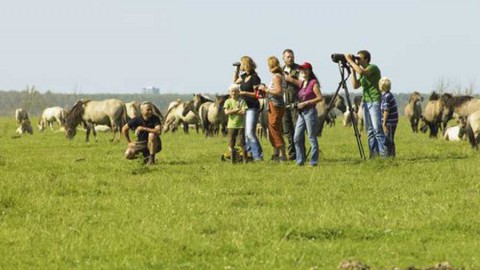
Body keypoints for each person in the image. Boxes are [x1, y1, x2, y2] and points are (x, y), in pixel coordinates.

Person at [345, 50, 387, 158]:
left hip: (375, 101)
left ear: (366, 59)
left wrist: (350, 60)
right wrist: (352, 70)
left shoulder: (372, 68)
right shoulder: (361, 71)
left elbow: (362, 72)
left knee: (377, 129)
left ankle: (384, 155)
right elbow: (355, 85)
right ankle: (373, 156)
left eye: (359, 58)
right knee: (370, 131)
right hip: (366, 103)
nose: (357, 60)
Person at [285, 62, 323, 166]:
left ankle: (314, 161)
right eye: (302, 70)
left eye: (305, 70)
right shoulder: (302, 83)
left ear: (310, 71)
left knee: (311, 137)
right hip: (301, 113)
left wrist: (306, 102)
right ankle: (300, 160)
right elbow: (292, 81)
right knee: (297, 137)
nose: (303, 72)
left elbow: (320, 98)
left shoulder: (313, 83)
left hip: (310, 112)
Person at [233, 56, 263, 161]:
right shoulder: (244, 76)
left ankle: (258, 156)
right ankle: (249, 155)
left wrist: (244, 93)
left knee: (250, 132)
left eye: (241, 64)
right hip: (244, 108)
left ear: (246, 64)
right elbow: (234, 81)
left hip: (252, 107)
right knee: (246, 134)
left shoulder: (255, 77)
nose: (240, 66)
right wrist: (236, 70)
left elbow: (257, 94)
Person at [258, 56, 287, 161]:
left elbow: (279, 92)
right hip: (274, 104)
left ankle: (282, 154)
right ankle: (276, 153)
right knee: (273, 128)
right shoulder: (279, 75)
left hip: (276, 105)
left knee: (274, 128)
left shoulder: (277, 77)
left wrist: (266, 89)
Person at [282, 49, 301, 160]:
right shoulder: (280, 70)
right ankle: (292, 155)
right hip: (284, 106)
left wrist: (291, 79)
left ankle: (300, 154)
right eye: (288, 57)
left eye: (292, 56)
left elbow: (303, 84)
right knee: (287, 132)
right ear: (283, 58)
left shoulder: (299, 69)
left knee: (298, 132)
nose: (290, 58)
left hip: (296, 105)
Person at [224, 84, 248, 162]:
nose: (233, 93)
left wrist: (232, 111)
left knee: (242, 143)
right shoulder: (227, 101)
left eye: (235, 91)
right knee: (231, 144)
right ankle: (233, 161)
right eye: (232, 91)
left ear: (238, 92)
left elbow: (244, 112)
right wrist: (236, 110)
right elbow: (226, 112)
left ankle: (245, 160)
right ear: (229, 92)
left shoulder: (242, 101)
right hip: (231, 126)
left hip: (240, 126)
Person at [379, 77, 398, 157]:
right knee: (390, 138)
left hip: (389, 122)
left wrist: (384, 123)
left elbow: (386, 110)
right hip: (392, 121)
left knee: (389, 139)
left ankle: (390, 156)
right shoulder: (389, 95)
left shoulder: (386, 97)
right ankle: (391, 155)